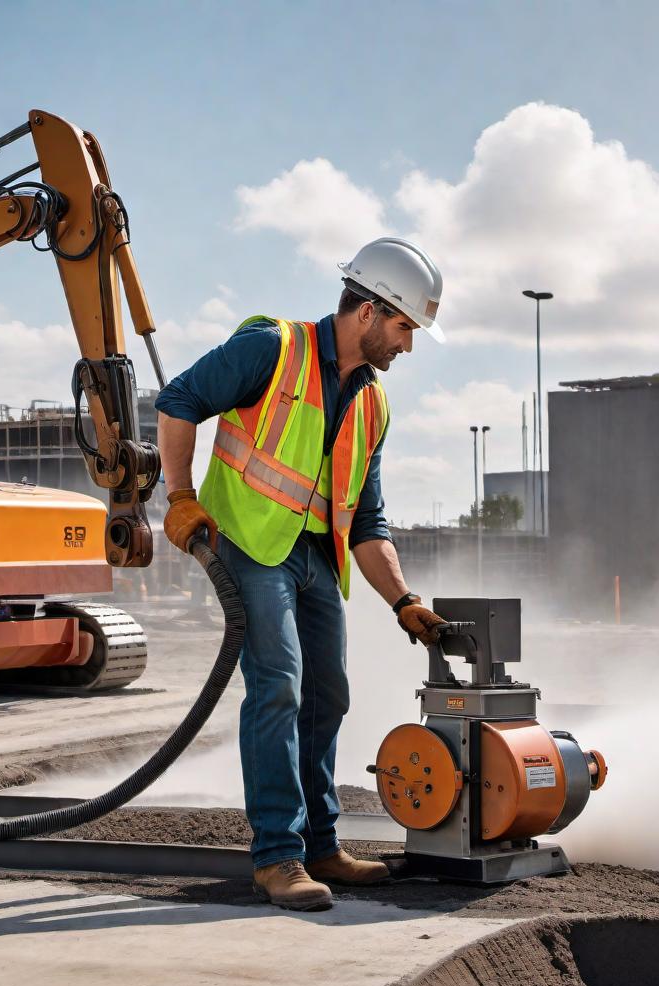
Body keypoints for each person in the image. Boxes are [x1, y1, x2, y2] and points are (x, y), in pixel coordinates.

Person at [155, 237, 449, 912]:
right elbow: (179, 400)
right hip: (252, 546)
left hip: (317, 560)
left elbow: (368, 521)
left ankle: (320, 846)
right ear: (369, 312)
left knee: (330, 694)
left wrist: (403, 600)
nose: (407, 346)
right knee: (279, 684)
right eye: (405, 327)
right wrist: (178, 497)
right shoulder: (272, 348)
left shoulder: (372, 403)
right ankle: (277, 858)